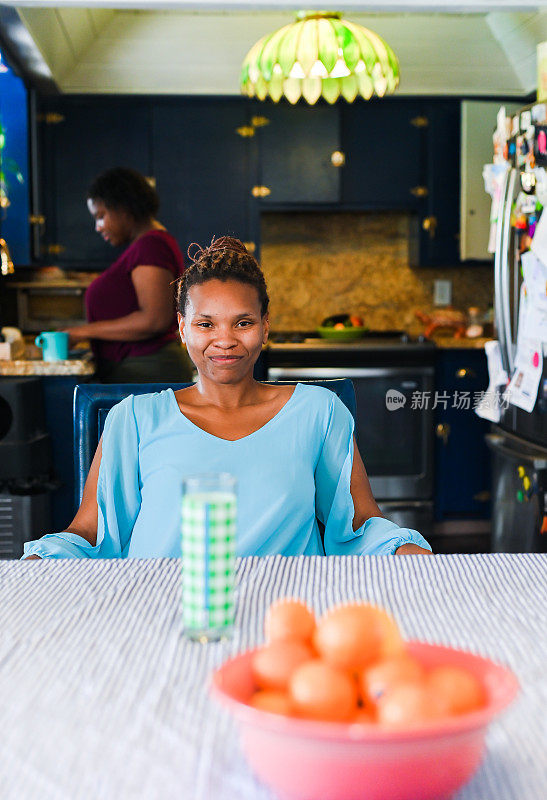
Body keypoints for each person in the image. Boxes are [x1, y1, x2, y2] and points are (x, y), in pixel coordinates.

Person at [23, 237, 431, 560]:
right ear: (182, 328)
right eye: (205, 323)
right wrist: (43, 559)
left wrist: (404, 549)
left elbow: (359, 523)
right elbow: (90, 534)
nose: (225, 340)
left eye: (243, 322)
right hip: (155, 613)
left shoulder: (318, 413)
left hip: (286, 614)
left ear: (265, 327)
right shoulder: (133, 419)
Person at [64, 167, 193, 383]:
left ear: (123, 208)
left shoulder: (151, 246)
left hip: (148, 370)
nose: (97, 227)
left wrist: (82, 332)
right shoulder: (147, 246)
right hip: (141, 369)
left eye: (101, 216)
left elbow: (154, 320)